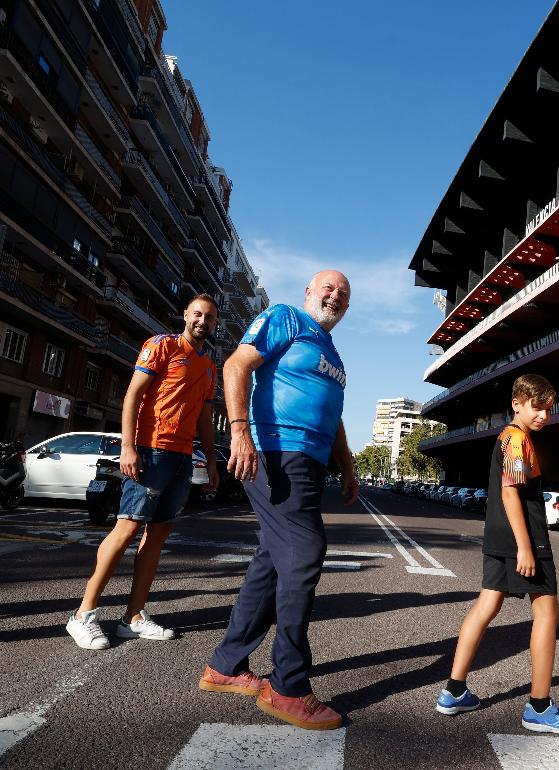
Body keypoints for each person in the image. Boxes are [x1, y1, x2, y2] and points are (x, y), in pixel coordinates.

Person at [199, 270, 358, 731]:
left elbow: (334, 415)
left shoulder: (332, 355)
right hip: (275, 451)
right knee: (306, 552)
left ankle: (225, 666)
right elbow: (235, 366)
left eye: (343, 294)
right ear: (309, 292)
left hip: (308, 460)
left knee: (273, 558)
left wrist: (346, 467)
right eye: (328, 289)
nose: (335, 296)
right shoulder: (286, 318)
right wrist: (239, 432)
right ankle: (288, 686)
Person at [434, 373, 559, 735]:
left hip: (497, 536)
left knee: (486, 605)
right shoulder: (517, 439)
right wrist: (525, 546)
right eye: (537, 408)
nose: (544, 416)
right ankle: (539, 707)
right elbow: (510, 494)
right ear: (517, 403)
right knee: (547, 610)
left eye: (549, 410)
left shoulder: (507, 437)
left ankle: (453, 691)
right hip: (525, 538)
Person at [65, 294, 220, 649]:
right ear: (185, 314)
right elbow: (133, 395)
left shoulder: (209, 366)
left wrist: (211, 460)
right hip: (150, 451)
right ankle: (82, 615)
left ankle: (132, 616)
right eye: (197, 314)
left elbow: (203, 418)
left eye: (209, 318)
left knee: (159, 533)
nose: (202, 321)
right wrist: (127, 446)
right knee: (127, 527)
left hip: (182, 458)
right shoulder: (161, 346)